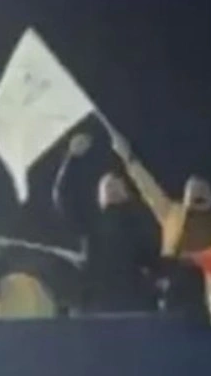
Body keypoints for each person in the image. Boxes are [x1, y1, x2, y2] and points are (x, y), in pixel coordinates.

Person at [111, 133, 211, 322]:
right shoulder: (172, 214)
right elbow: (148, 188)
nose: (198, 195)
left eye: (202, 191)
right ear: (185, 197)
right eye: (193, 192)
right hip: (177, 284)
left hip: (209, 289)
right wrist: (129, 158)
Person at [53, 133, 158, 313]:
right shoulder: (90, 222)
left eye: (116, 185)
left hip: (132, 302)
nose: (112, 188)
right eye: (107, 186)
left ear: (127, 193)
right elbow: (64, 199)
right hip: (97, 302)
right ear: (99, 197)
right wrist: (72, 159)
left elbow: (151, 251)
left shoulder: (138, 220)